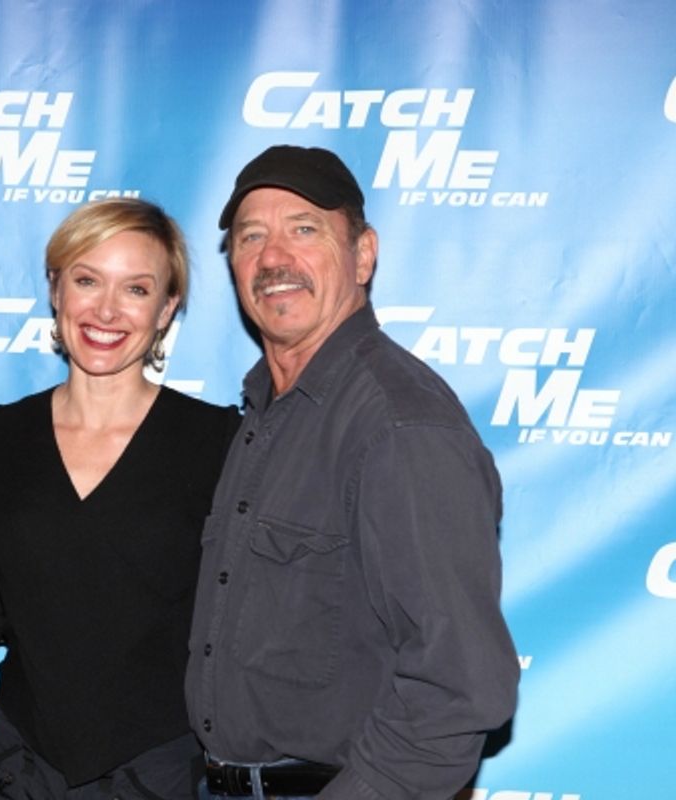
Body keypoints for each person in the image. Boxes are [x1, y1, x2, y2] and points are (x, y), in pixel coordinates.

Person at [186, 145, 519, 799]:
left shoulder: (400, 424)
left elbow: (460, 688)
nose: (274, 258)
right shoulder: (264, 414)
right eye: (252, 236)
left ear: (364, 254)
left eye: (304, 229)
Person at [0, 198, 240, 798]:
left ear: (166, 310)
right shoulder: (0, 437)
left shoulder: (219, 442)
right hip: (21, 769)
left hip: (161, 771)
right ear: (56, 290)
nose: (106, 310)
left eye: (136, 289)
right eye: (87, 280)